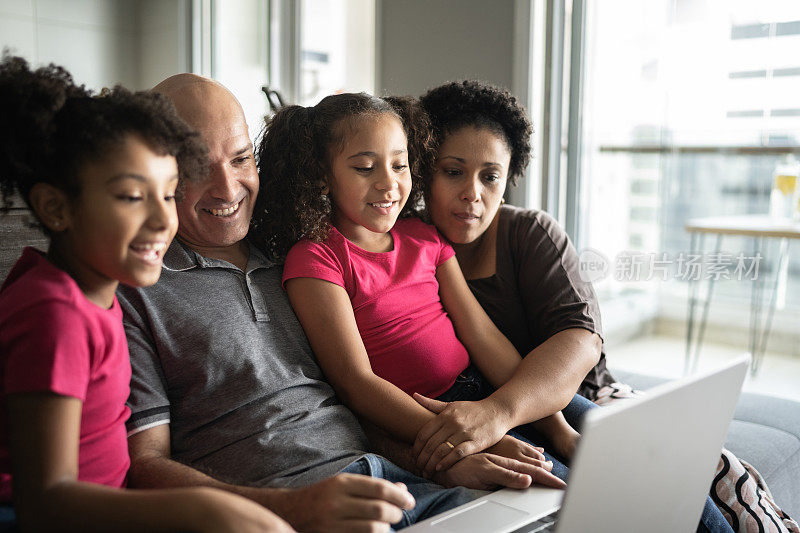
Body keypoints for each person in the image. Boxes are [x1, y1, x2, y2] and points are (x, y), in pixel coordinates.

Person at [118, 74, 558, 533]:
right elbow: (145, 466)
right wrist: (290, 510)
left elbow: (350, 395)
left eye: (240, 159)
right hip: (281, 509)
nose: (228, 189)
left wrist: (443, 461)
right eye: (194, 166)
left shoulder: (292, 247)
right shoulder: (138, 291)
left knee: (551, 511)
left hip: (391, 478)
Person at [418, 79, 734, 533]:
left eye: (490, 176)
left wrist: (500, 412)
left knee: (705, 471)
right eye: (453, 171)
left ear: (507, 183)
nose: (473, 193)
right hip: (484, 410)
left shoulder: (528, 234)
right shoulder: (408, 249)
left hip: (582, 397)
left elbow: (580, 340)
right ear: (426, 171)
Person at [0, 56, 292, 532]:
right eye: (133, 197)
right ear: (55, 207)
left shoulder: (96, 296)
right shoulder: (52, 314)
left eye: (168, 192)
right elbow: (44, 502)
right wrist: (205, 509)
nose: (163, 221)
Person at [253, 91, 578, 482]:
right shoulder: (316, 259)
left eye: (399, 165)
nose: (388, 184)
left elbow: (481, 335)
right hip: (420, 419)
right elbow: (356, 384)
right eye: (365, 168)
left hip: (491, 394)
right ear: (322, 175)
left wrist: (558, 429)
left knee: (611, 447)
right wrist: (472, 440)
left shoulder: (424, 237)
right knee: (554, 490)